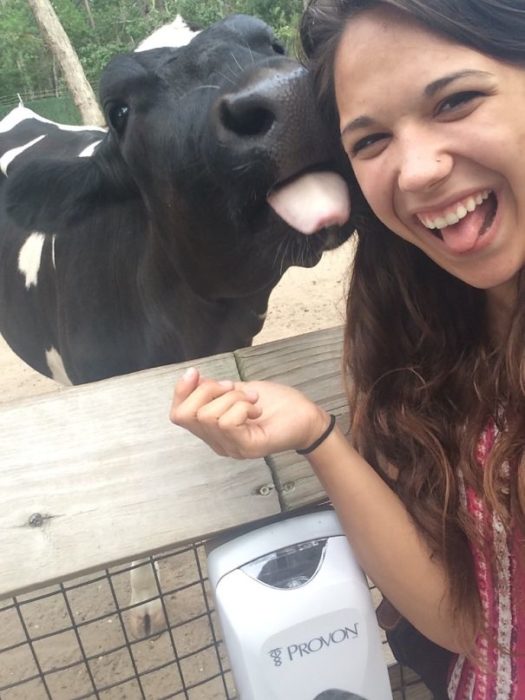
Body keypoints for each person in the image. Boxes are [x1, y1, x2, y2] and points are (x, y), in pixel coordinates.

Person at [170, 2, 525, 698]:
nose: (418, 171)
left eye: (454, 100)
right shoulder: (418, 327)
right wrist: (317, 434)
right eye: (368, 141)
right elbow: (472, 628)